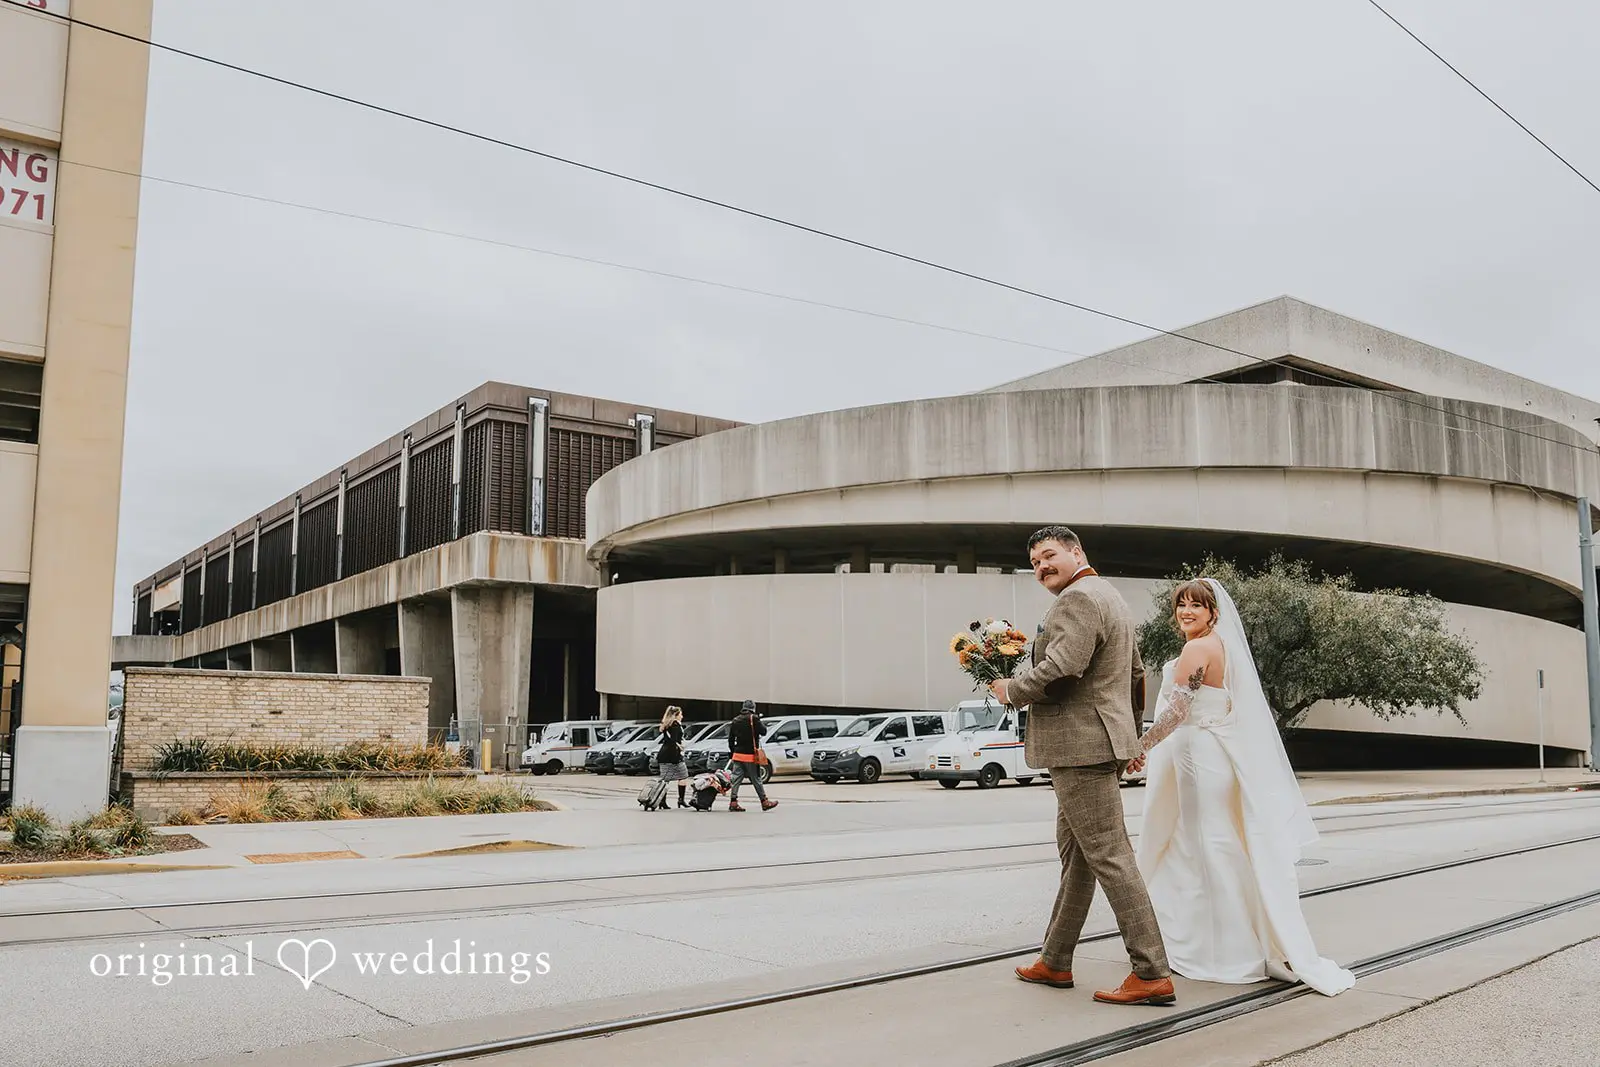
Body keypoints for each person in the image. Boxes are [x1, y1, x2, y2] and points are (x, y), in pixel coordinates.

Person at [1125, 578, 1356, 996]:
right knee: (1216, 843)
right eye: (1181, 605)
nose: (1186, 612)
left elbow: (1177, 712)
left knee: (1205, 846)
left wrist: (1139, 748)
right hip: (1215, 753)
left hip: (1197, 755)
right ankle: (1238, 941)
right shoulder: (1223, 646)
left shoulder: (1197, 649)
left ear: (1213, 612)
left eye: (1196, 606)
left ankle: (1222, 952)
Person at [990, 526, 1173, 1007]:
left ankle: (1151, 971)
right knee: (1079, 857)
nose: (1041, 567)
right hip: (1098, 742)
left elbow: (1062, 669)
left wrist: (1013, 691)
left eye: (1049, 556)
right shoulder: (1109, 595)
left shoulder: (1077, 599)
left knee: (1110, 855)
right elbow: (1135, 674)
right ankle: (1055, 960)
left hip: (1080, 747)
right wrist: (1129, 736)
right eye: (1034, 562)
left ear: (1077, 552)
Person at [725, 699, 778, 812]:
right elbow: (763, 731)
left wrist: (733, 752)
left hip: (737, 755)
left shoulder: (735, 720)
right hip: (750, 755)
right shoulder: (753, 718)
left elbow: (730, 740)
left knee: (736, 779)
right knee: (756, 779)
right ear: (753, 708)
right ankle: (764, 802)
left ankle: (733, 802)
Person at [657, 705, 691, 809]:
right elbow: (673, 741)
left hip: (664, 755)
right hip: (673, 755)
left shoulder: (667, 725)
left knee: (665, 779)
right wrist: (679, 749)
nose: (682, 716)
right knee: (683, 776)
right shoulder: (675, 725)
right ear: (676, 715)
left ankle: (662, 801)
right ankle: (681, 800)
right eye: (681, 714)